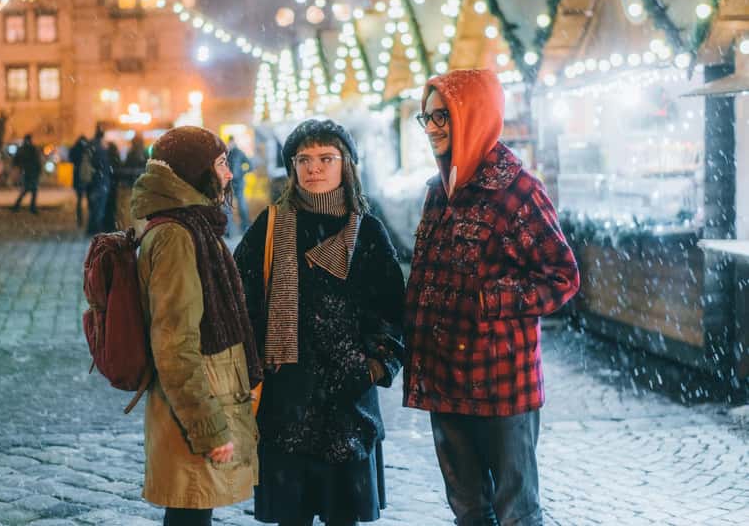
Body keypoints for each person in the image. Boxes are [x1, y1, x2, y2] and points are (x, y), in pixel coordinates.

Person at [403, 69, 580, 526]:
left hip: (502, 384)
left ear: (474, 115)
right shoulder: (437, 193)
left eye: (443, 115)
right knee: (468, 511)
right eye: (427, 118)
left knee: (516, 511)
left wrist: (491, 300)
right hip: (444, 379)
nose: (434, 127)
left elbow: (562, 276)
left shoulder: (518, 192)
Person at [234, 119, 405, 526]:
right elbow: (242, 300)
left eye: (326, 158)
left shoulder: (367, 231)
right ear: (292, 167)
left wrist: (375, 365)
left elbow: (393, 309)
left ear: (345, 164)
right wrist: (256, 361)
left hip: (347, 403)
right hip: (285, 402)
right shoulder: (271, 226)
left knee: (342, 518)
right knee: (291, 518)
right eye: (304, 159)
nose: (314, 168)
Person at [130, 126, 263, 526]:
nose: (228, 174)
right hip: (194, 404)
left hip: (200, 397)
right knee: (189, 513)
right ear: (193, 172)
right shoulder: (176, 236)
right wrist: (207, 426)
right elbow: (174, 343)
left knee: (192, 510)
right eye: (220, 165)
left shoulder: (190, 225)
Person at [86, 127, 111, 235]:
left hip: (92, 181)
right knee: (99, 207)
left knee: (93, 206)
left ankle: (91, 228)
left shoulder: (90, 145)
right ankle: (95, 229)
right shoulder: (99, 148)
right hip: (100, 181)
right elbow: (103, 165)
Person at [226, 137, 252, 236]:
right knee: (227, 205)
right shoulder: (227, 153)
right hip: (229, 182)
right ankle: (228, 229)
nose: (230, 144)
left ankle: (245, 226)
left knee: (241, 204)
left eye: (231, 142)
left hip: (239, 182)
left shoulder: (239, 152)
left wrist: (242, 173)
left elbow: (250, 165)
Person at [11, 134, 41, 214]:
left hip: (28, 171)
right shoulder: (31, 149)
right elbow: (37, 161)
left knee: (29, 190)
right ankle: (30, 207)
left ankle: (19, 206)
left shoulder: (23, 149)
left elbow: (16, 160)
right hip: (30, 172)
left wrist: (18, 167)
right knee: (30, 189)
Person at [69, 135, 89, 226]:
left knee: (79, 200)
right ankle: (87, 220)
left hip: (78, 177)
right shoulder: (87, 149)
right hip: (86, 178)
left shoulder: (75, 149)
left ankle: (80, 220)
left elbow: (71, 159)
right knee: (88, 200)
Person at [104, 141, 122, 232]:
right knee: (113, 206)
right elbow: (119, 170)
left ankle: (107, 225)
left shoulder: (107, 157)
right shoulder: (115, 157)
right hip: (113, 186)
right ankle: (111, 225)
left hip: (107, 185)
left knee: (107, 206)